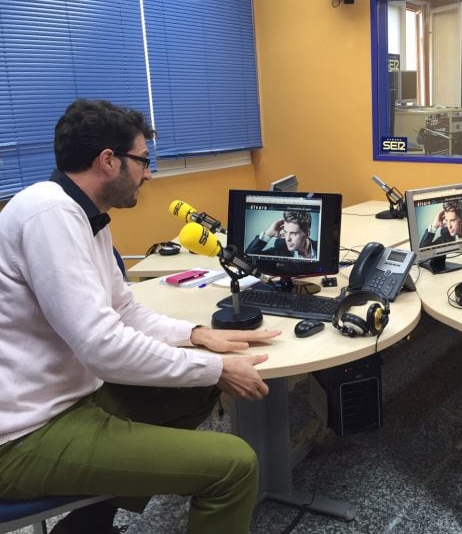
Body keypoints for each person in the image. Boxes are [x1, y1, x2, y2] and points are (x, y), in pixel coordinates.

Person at [0, 99, 282, 534]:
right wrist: (215, 366)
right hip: (25, 434)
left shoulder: (86, 213)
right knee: (235, 465)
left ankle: (90, 521)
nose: (149, 174)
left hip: (69, 398)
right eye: (143, 161)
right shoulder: (48, 214)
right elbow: (103, 348)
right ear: (108, 161)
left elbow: (124, 310)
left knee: (196, 392)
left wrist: (197, 334)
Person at [245, 210, 317, 258]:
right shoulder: (281, 249)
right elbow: (248, 258)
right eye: (285, 232)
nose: (287, 239)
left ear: (307, 234)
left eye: (293, 233)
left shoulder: (320, 248)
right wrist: (269, 233)